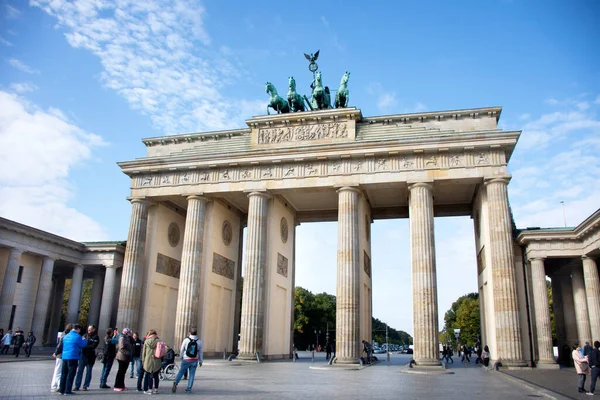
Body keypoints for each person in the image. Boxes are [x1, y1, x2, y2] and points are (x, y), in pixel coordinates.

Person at [59, 324, 87, 395]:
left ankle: (61, 389)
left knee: (64, 373)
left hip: (65, 356)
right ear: (77, 329)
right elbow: (82, 345)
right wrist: (84, 340)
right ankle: (68, 390)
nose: (79, 331)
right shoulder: (77, 336)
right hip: (73, 357)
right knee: (71, 374)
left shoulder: (66, 336)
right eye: (79, 330)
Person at [173, 328, 203, 393]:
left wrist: (181, 357)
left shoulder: (186, 340)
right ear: (196, 333)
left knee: (181, 372)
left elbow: (182, 349)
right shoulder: (199, 341)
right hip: (194, 360)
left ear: (189, 333)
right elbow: (200, 352)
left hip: (186, 359)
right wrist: (201, 361)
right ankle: (189, 388)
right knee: (192, 374)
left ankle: (176, 382)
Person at [74, 325, 99, 391]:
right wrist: (85, 346)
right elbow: (80, 344)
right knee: (80, 371)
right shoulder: (84, 335)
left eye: (90, 329)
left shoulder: (96, 337)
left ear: (94, 329)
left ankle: (85, 385)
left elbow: (93, 346)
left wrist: (85, 346)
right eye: (88, 329)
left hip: (90, 356)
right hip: (83, 355)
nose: (89, 330)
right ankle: (77, 385)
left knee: (89, 371)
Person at [142, 329, 163, 394]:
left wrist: (143, 360)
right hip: (157, 359)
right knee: (156, 375)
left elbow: (144, 352)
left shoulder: (146, 341)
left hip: (148, 360)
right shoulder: (159, 341)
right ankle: (156, 389)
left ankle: (150, 389)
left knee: (149, 375)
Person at [51, 328, 69, 392]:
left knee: (58, 371)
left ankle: (57, 385)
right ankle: (56, 386)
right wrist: (56, 353)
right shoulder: (65, 336)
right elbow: (60, 345)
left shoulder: (64, 335)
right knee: (59, 371)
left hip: (61, 355)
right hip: (61, 355)